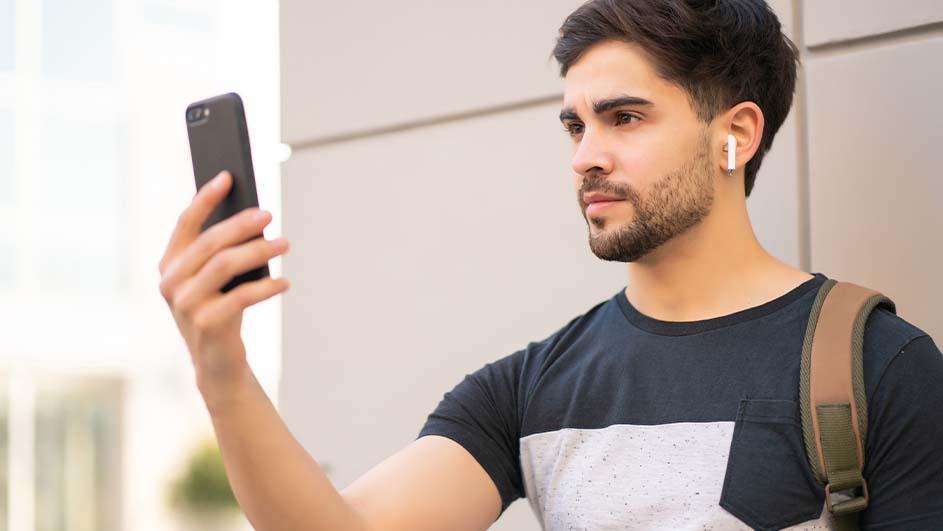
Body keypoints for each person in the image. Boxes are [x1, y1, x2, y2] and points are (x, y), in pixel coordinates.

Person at [158, 0, 943, 529]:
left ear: (733, 134)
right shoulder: (531, 386)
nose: (585, 156)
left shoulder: (876, 367)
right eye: (575, 125)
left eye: (624, 117)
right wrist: (221, 369)